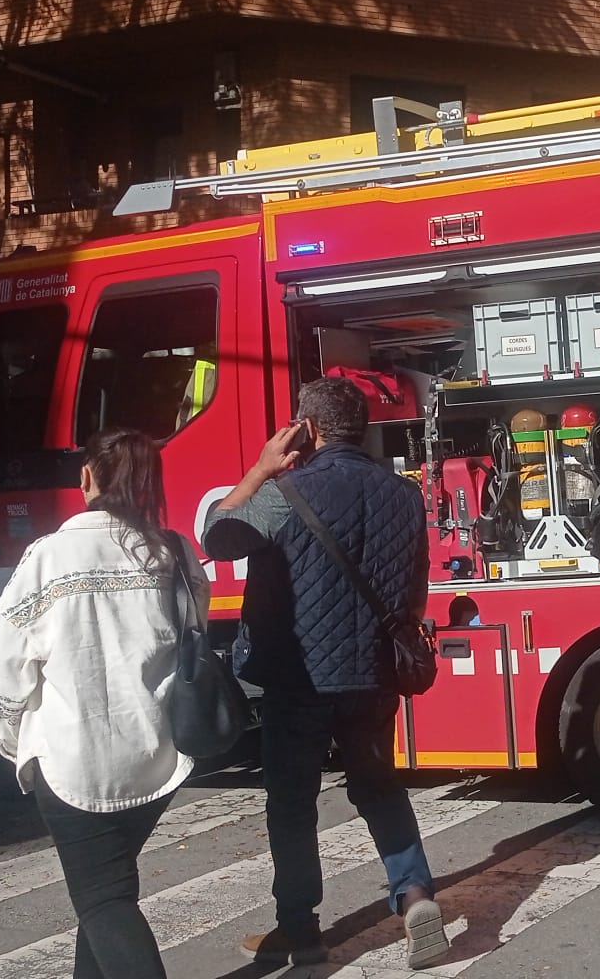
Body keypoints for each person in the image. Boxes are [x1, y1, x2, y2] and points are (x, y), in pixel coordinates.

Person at [201, 377, 445, 968]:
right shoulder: (404, 494)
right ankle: (413, 894)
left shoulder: (286, 491)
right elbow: (414, 590)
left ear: (306, 430)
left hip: (298, 678)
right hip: (372, 673)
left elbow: (216, 537)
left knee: (292, 802)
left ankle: (301, 928)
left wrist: (260, 469)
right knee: (377, 785)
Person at [0, 428, 206, 979]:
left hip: (73, 763)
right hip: (157, 756)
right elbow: (195, 632)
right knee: (104, 890)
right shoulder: (173, 553)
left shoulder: (48, 557)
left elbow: (6, 661)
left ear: (86, 478)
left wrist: (10, 739)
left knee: (104, 901)